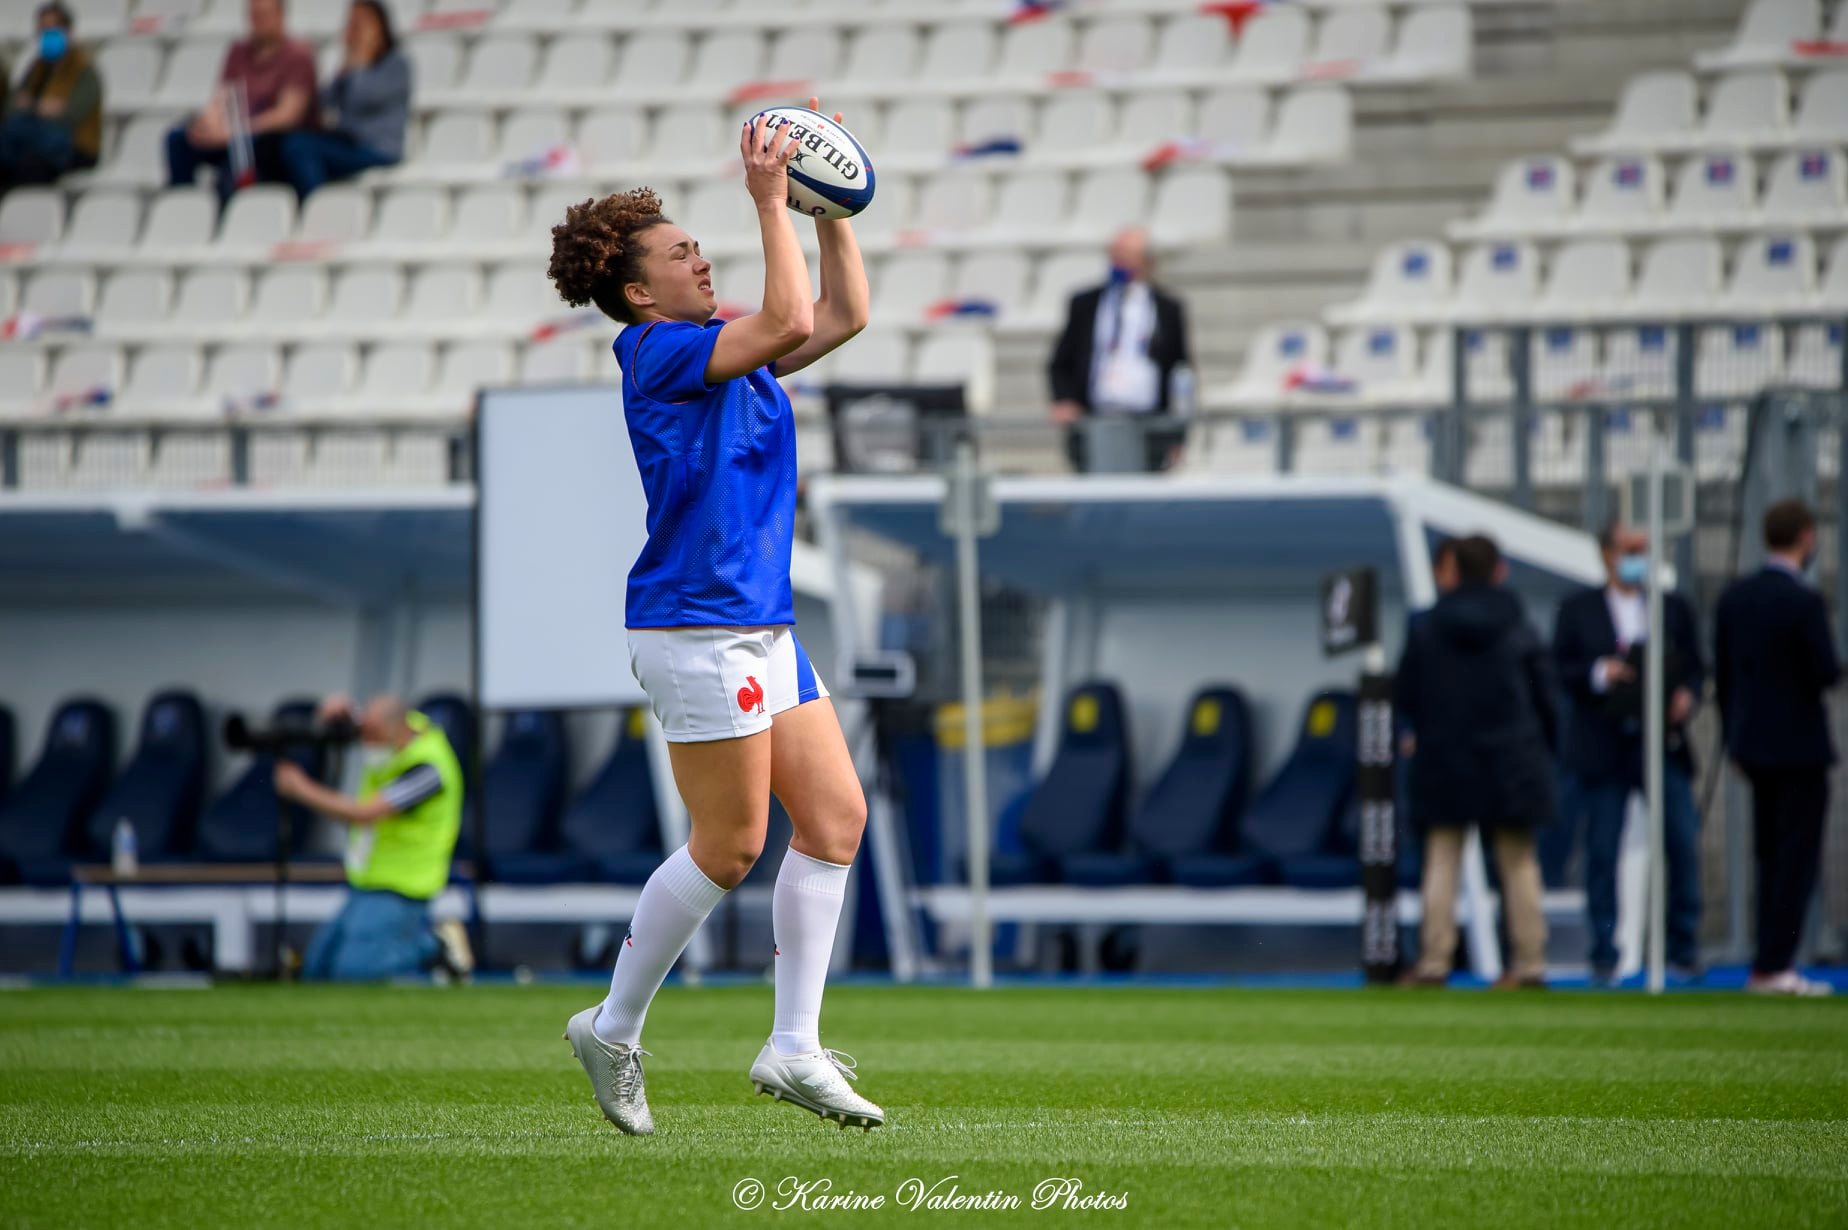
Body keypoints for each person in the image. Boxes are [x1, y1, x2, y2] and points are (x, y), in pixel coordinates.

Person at [546, 101, 880, 1136]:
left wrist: (828, 212)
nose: (701, 258)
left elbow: (839, 315)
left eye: (701, 244)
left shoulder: (725, 346)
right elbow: (786, 321)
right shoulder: (654, 351)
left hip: (758, 624)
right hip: (695, 625)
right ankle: (611, 1026)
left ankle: (794, 1048)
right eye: (679, 253)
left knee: (836, 821)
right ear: (638, 293)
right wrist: (771, 199)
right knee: (731, 846)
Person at [1396, 535, 1558, 989]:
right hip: (1512, 761)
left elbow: (1405, 694)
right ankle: (1529, 964)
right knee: (1518, 863)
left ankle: (1434, 963)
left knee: (1442, 860)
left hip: (1445, 760)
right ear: (1498, 570)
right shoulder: (1519, 625)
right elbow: (1546, 696)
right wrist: (1548, 750)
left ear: (1453, 569)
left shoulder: (1426, 627)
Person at [1553, 521, 1706, 985]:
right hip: (1605, 745)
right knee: (1602, 849)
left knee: (1682, 842)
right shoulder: (1576, 609)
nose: (1637, 557)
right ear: (1606, 553)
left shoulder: (1672, 608)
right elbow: (1561, 668)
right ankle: (1604, 951)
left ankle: (1683, 947)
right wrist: (1602, 673)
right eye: (1629, 549)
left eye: (1643, 549)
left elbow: (1696, 666)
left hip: (1661, 743)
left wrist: (1687, 696)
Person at [1715, 500, 1839, 996]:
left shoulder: (1735, 598)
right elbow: (1824, 670)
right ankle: (1776, 963)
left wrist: (1734, 740)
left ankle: (1765, 960)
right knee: (1796, 859)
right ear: (1806, 536)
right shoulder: (1804, 602)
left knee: (1767, 856)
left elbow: (1724, 676)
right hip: (1800, 749)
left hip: (1754, 747)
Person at [272, 693, 472, 982]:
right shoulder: (401, 730)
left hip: (403, 889)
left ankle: (435, 946)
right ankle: (423, 947)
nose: (366, 743)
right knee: (316, 970)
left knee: (352, 973)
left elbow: (365, 813)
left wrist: (300, 788)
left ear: (393, 731)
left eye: (372, 736)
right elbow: (370, 722)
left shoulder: (429, 769)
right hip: (366, 883)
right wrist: (334, 715)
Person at [1047, 226, 1193, 473]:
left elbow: (1179, 368)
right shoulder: (1086, 303)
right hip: (1095, 420)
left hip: (1149, 424)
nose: (1119, 262)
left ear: (1146, 261)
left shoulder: (1167, 308)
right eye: (1115, 255)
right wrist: (1064, 399)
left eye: (1127, 255)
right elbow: (1061, 361)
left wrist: (1178, 434)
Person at [165, 0, 317, 206]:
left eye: (264, 15)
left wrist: (237, 131)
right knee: (179, 139)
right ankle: (182, 208)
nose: (258, 22)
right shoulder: (238, 52)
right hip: (234, 132)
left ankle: (229, 209)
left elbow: (286, 116)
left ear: (280, 15)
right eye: (254, 15)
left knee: (241, 151)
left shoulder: (297, 56)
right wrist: (208, 125)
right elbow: (223, 97)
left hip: (267, 139)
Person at [276, 0, 409, 201]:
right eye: (351, 24)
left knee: (299, 148)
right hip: (348, 143)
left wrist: (359, 61)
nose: (354, 31)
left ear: (379, 27)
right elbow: (324, 103)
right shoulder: (352, 64)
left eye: (359, 24)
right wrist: (344, 69)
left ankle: (318, 207)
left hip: (377, 149)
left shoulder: (397, 65)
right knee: (286, 149)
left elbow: (363, 96)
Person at [0, 3, 103, 192]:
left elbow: (72, 114)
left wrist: (32, 106)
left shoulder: (84, 70)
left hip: (75, 147)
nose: (47, 36)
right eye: (43, 31)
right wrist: (42, 107)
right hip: (34, 142)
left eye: (52, 29)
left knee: (30, 168)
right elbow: (12, 107)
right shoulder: (37, 68)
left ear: (68, 32)